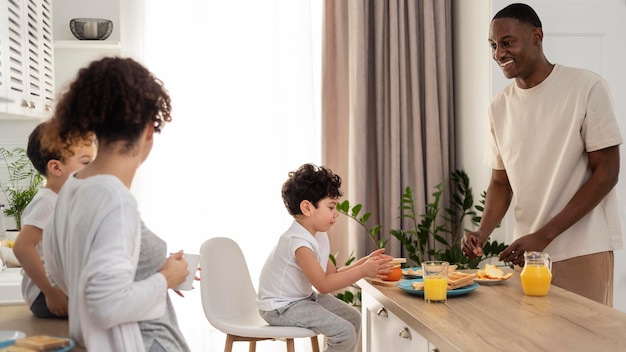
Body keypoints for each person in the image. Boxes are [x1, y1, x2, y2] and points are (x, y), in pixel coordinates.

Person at [461, 3, 623, 306]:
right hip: (530, 257)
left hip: (582, 250)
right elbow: (501, 183)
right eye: (493, 45)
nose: (498, 53)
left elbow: (607, 174)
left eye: (507, 42)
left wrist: (543, 236)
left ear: (537, 36)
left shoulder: (586, 87)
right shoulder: (499, 106)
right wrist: (482, 233)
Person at [41, 57, 191, 351]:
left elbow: (63, 275)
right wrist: (165, 279)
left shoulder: (73, 186)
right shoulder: (115, 200)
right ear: (150, 129)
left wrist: (150, 272)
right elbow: (106, 306)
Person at [257, 163, 394, 352]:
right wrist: (363, 270)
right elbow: (323, 285)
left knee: (353, 318)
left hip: (302, 299)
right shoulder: (299, 243)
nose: (336, 213)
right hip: (280, 308)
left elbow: (333, 273)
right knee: (344, 332)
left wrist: (364, 262)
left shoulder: (318, 235)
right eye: (331, 207)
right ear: (307, 207)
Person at [13, 121, 96, 319]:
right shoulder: (47, 202)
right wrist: (51, 292)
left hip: (61, 288)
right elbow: (22, 248)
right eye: (86, 163)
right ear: (56, 168)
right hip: (45, 295)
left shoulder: (66, 200)